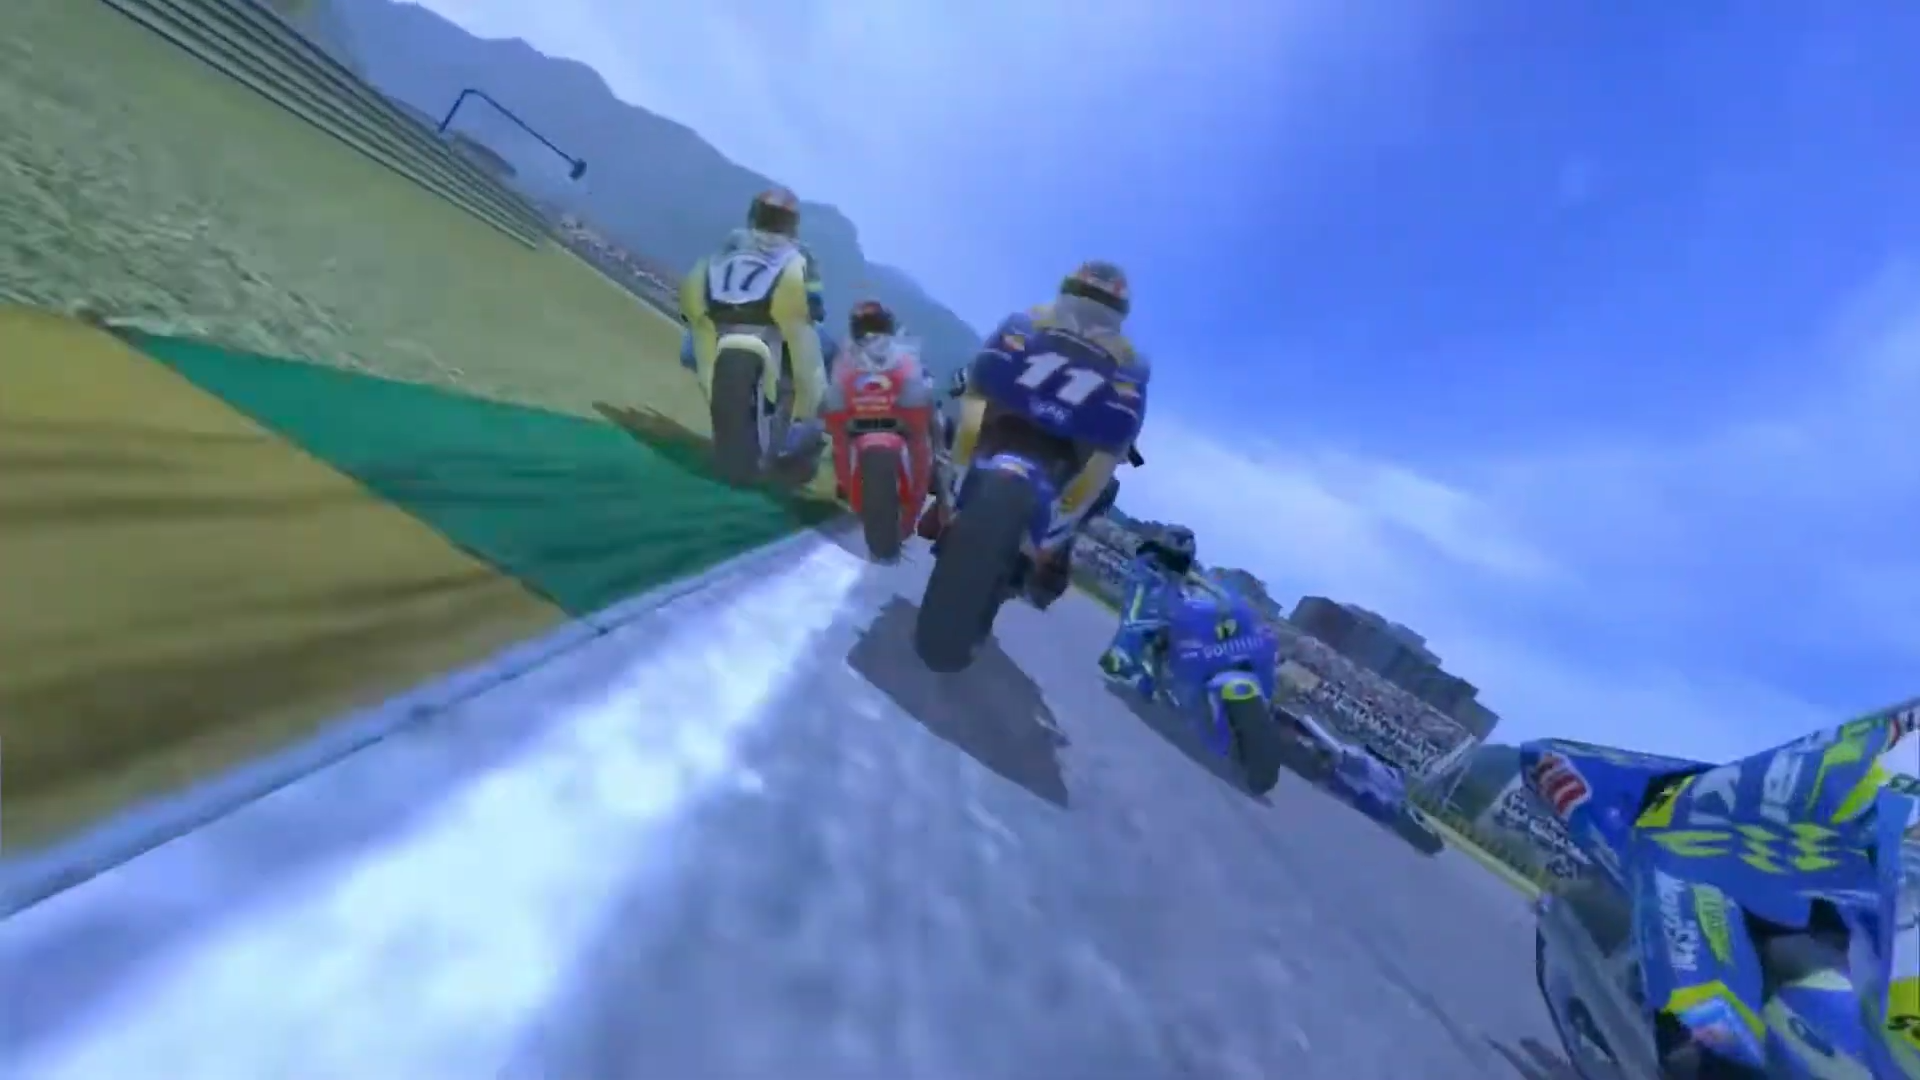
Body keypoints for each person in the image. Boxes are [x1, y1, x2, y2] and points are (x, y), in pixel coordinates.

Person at [919, 260, 1148, 606]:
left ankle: (1049, 550)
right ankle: (947, 500)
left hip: (1051, 440)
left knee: (1098, 492)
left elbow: (1128, 407)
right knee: (954, 435)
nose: (1090, 308)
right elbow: (990, 361)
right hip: (1026, 429)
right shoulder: (1037, 322)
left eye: (1099, 301)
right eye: (1087, 296)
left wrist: (1122, 436)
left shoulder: (1117, 354)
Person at [678, 188, 832, 455]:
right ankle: (808, 422)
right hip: (758, 321)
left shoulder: (736, 240)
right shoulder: (799, 252)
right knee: (826, 352)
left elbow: (709, 273)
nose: (773, 223)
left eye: (776, 217)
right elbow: (815, 298)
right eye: (772, 216)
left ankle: (807, 423)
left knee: (691, 348)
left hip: (739, 319)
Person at [1097, 525, 1197, 696]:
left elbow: (1183, 584)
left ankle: (1155, 677)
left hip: (1167, 608)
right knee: (1135, 620)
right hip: (1148, 602)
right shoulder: (1150, 555)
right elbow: (1138, 589)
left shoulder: (1180, 567)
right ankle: (1122, 656)